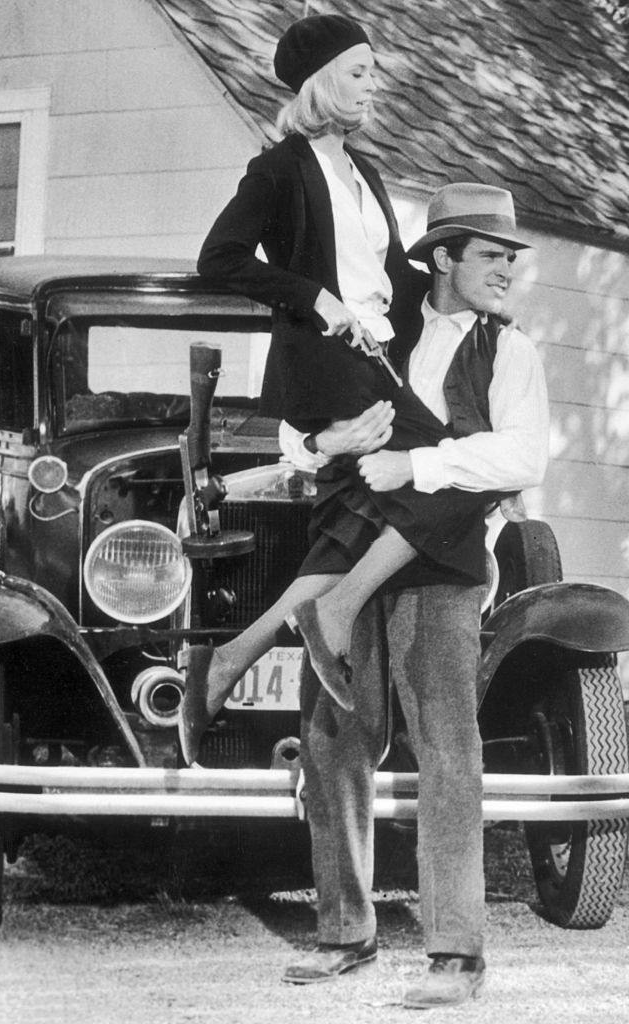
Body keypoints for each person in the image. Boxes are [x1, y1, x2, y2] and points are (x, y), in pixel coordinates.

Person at [180, 14, 506, 763]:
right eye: (360, 71)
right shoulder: (279, 169)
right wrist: (312, 297)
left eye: (372, 72)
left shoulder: (366, 171)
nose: (372, 85)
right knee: (467, 469)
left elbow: (392, 276)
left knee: (359, 522)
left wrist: (468, 286)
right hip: (326, 367)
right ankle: (338, 611)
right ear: (323, 80)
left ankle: (230, 659)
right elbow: (219, 258)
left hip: (379, 366)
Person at [279, 182, 549, 1009]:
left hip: (443, 571)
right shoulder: (382, 337)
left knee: (448, 752)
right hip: (357, 554)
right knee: (332, 739)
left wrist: (417, 466)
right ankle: (344, 933)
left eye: (511, 256)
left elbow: (522, 460)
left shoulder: (511, 353)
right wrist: (329, 444)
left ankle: (455, 957)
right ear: (442, 258)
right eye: (489, 254)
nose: (506, 268)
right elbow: (303, 428)